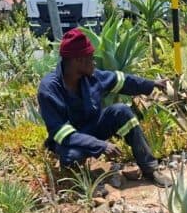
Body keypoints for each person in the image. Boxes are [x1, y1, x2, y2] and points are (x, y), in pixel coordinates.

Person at [37, 28, 172, 187]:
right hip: (70, 140)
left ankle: (150, 169)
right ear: (77, 61)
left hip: (93, 128)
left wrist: (151, 84)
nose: (94, 62)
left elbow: (122, 81)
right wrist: (100, 145)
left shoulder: (91, 77)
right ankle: (82, 182)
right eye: (91, 58)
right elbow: (61, 134)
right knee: (72, 155)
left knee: (121, 111)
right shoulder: (49, 89)